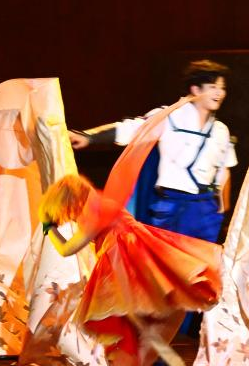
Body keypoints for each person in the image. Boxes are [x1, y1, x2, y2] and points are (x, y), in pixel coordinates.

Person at [40, 100, 222, 366]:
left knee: (129, 359)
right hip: (139, 283)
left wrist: (50, 229)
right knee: (125, 358)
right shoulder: (105, 207)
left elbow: (68, 249)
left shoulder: (95, 213)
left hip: (128, 286)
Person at [70, 60, 237, 244]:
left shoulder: (220, 130)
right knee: (169, 260)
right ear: (195, 90)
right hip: (172, 207)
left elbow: (224, 170)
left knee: (204, 260)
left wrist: (222, 209)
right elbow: (130, 129)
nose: (219, 93)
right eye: (213, 87)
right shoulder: (169, 117)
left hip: (205, 211)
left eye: (222, 88)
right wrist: (89, 137)